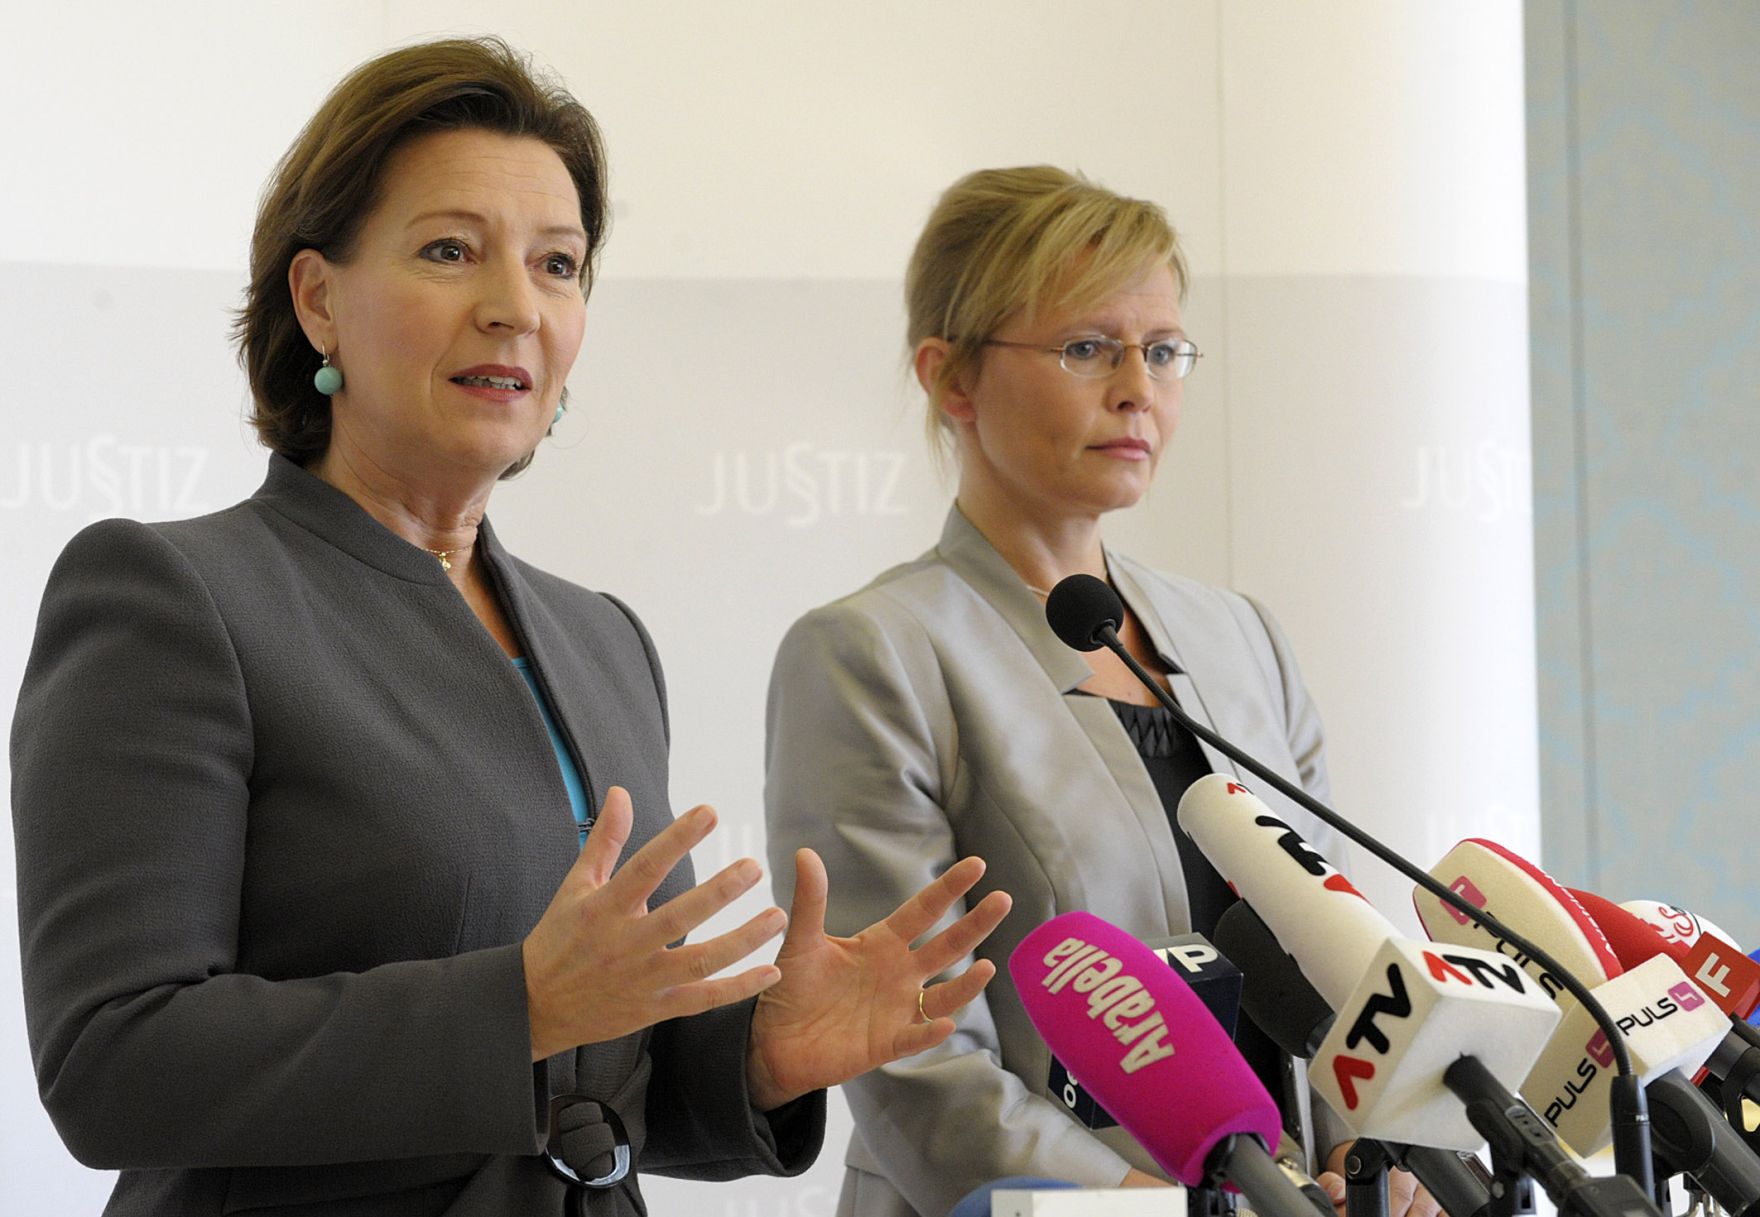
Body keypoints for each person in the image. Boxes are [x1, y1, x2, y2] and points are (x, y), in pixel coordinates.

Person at [9, 38, 1010, 1217]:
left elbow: (598, 1073)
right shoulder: (173, 595)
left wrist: (754, 1057)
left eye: (557, 264)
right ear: (318, 299)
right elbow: (113, 1060)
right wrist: (517, 1005)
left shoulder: (601, 637)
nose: (515, 308)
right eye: (449, 250)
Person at [764, 167, 1439, 1217]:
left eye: (1162, 350)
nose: (1137, 388)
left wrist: (1380, 1159)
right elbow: (913, 1061)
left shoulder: (1242, 639)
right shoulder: (870, 652)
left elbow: (1338, 968)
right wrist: (1173, 1208)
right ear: (951, 378)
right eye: (1087, 348)